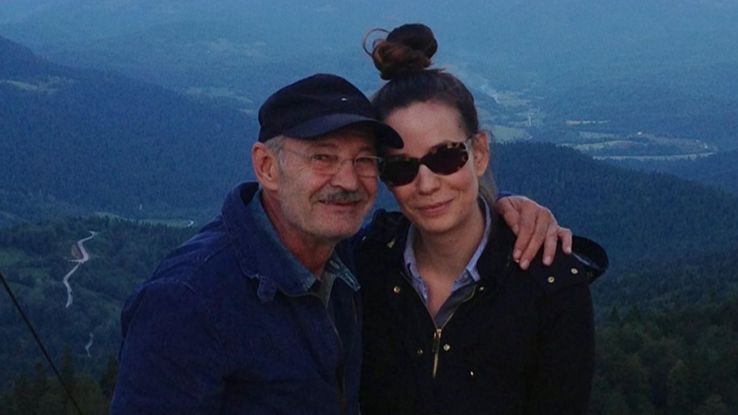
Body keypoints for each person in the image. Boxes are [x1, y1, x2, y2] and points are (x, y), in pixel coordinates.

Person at [111, 73, 570, 414]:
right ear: (267, 167)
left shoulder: (350, 259)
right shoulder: (190, 302)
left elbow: (447, 216)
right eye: (323, 158)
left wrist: (507, 210)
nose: (348, 181)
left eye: (365, 160)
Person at [357, 24, 609, 415]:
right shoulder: (365, 268)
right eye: (401, 168)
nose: (426, 184)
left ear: (479, 153)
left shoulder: (551, 288)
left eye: (445, 157)